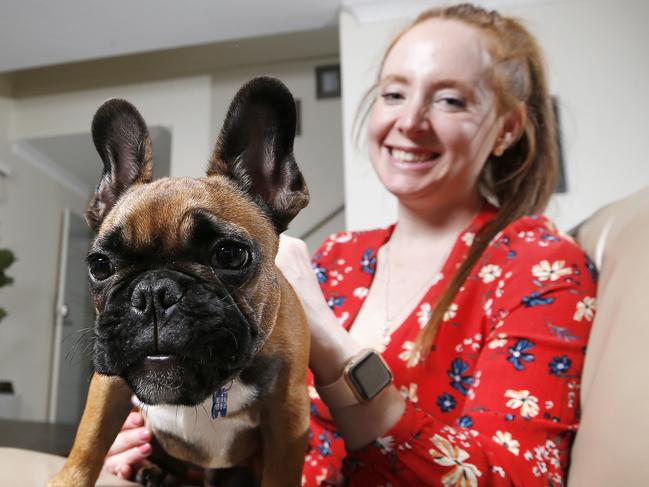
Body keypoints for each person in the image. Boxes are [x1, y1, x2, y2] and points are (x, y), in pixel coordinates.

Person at [103, 3, 596, 485]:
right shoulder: (341, 258)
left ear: (508, 128)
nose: (411, 121)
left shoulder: (537, 264)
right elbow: (278, 444)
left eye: (450, 100)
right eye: (394, 94)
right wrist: (168, 439)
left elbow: (518, 477)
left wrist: (331, 344)